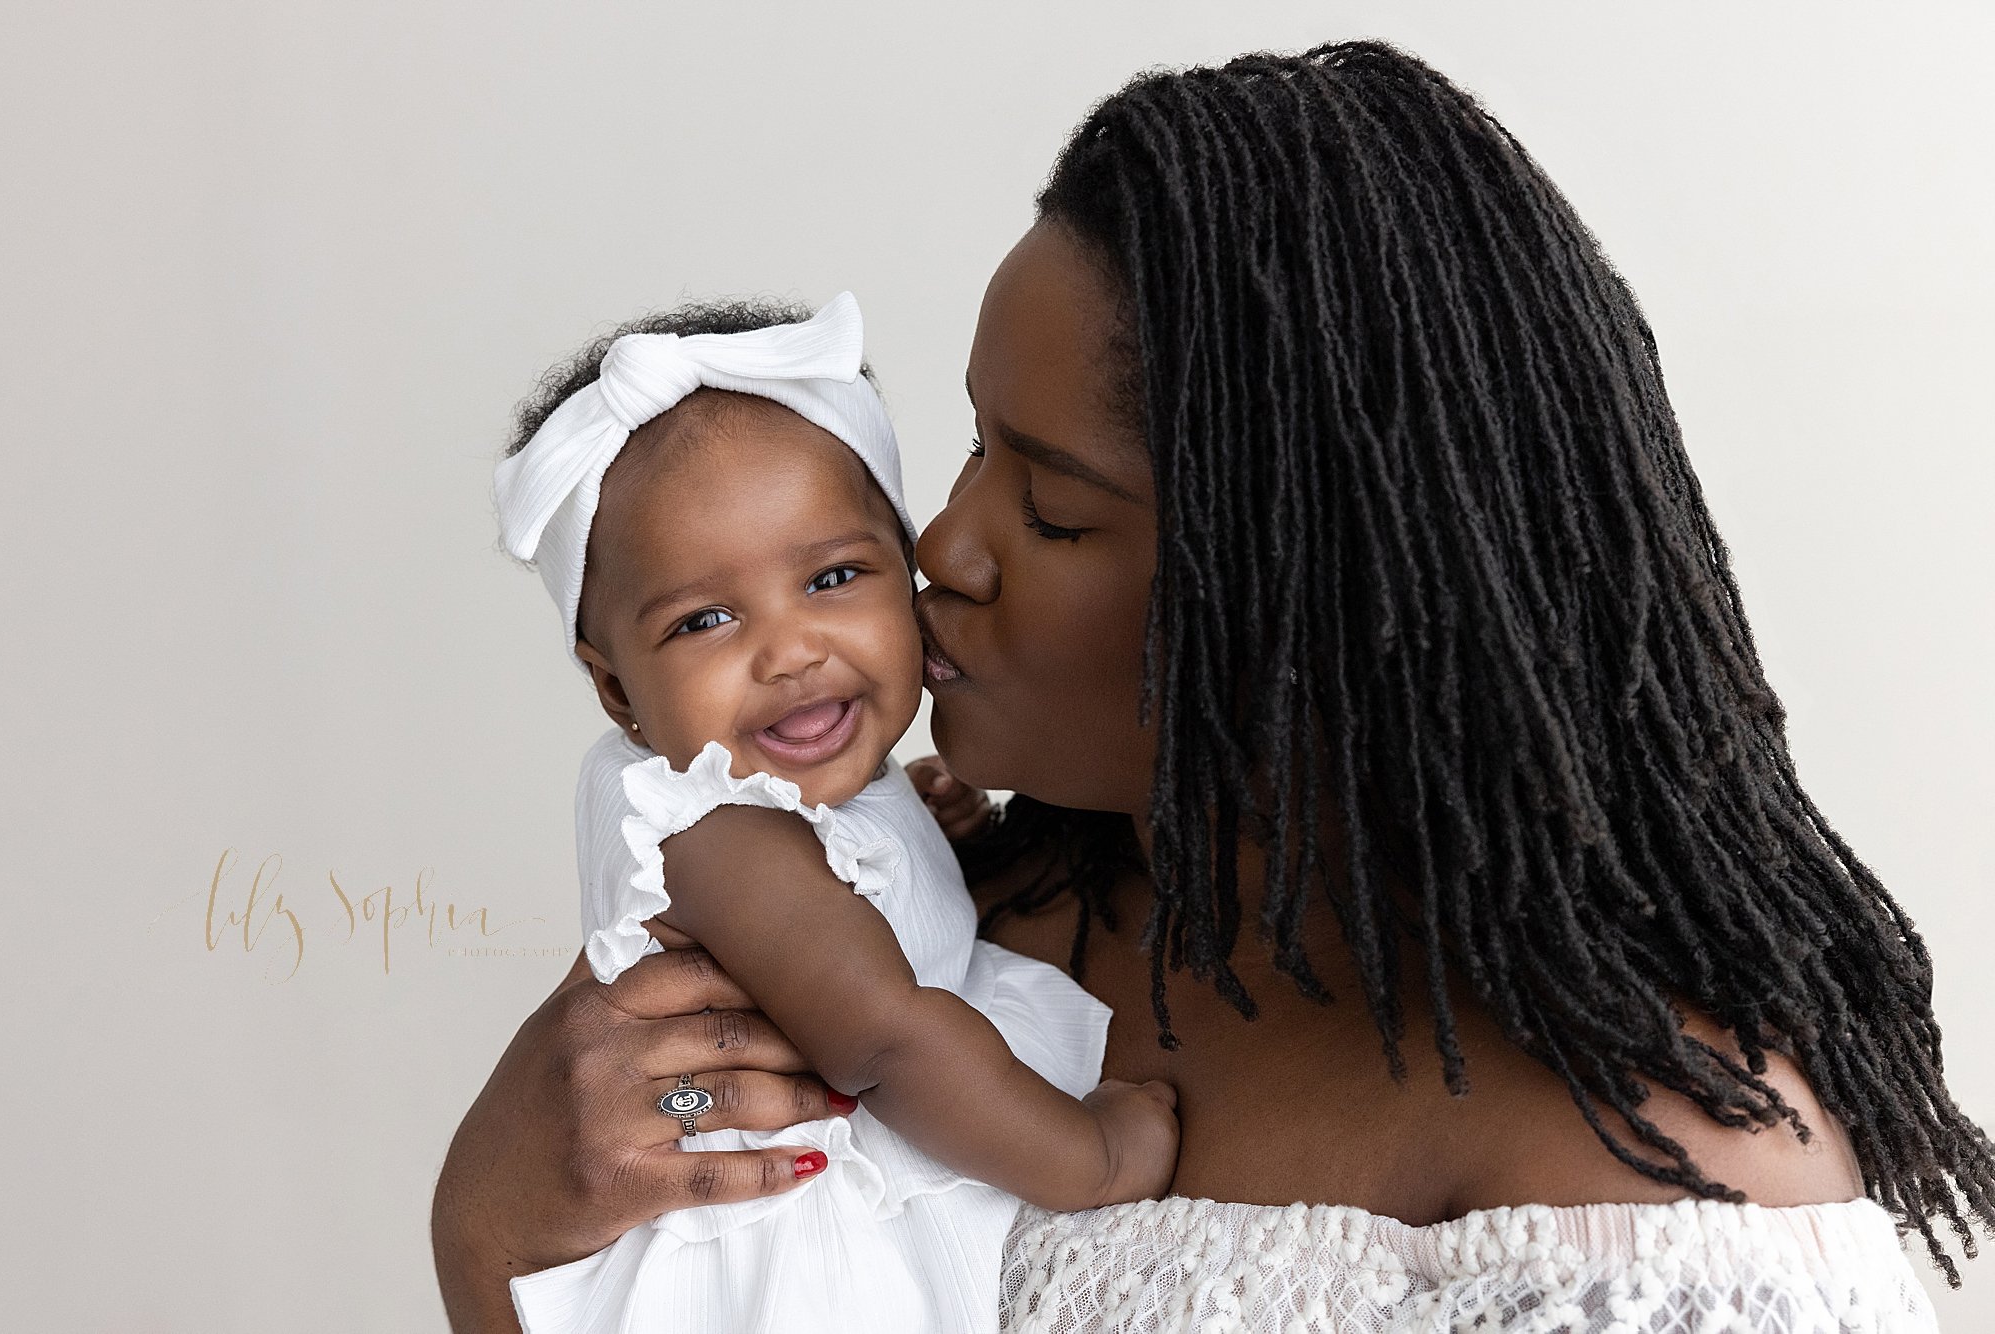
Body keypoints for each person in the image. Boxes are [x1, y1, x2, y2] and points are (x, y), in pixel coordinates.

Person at [435, 41, 1991, 1331]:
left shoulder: (1663, 1173)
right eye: (970, 445)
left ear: (1313, 591)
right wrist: (492, 1221)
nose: (942, 548)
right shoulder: (938, 911)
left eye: (1048, 506)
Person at [486, 293, 1177, 1332]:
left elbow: (842, 912)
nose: (789, 648)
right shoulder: (709, 825)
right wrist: (1090, 1153)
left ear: (906, 572)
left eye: (833, 575)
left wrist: (905, 841)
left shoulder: (800, 807)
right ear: (618, 692)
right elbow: (881, 1036)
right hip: (803, 1259)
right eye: (704, 618)